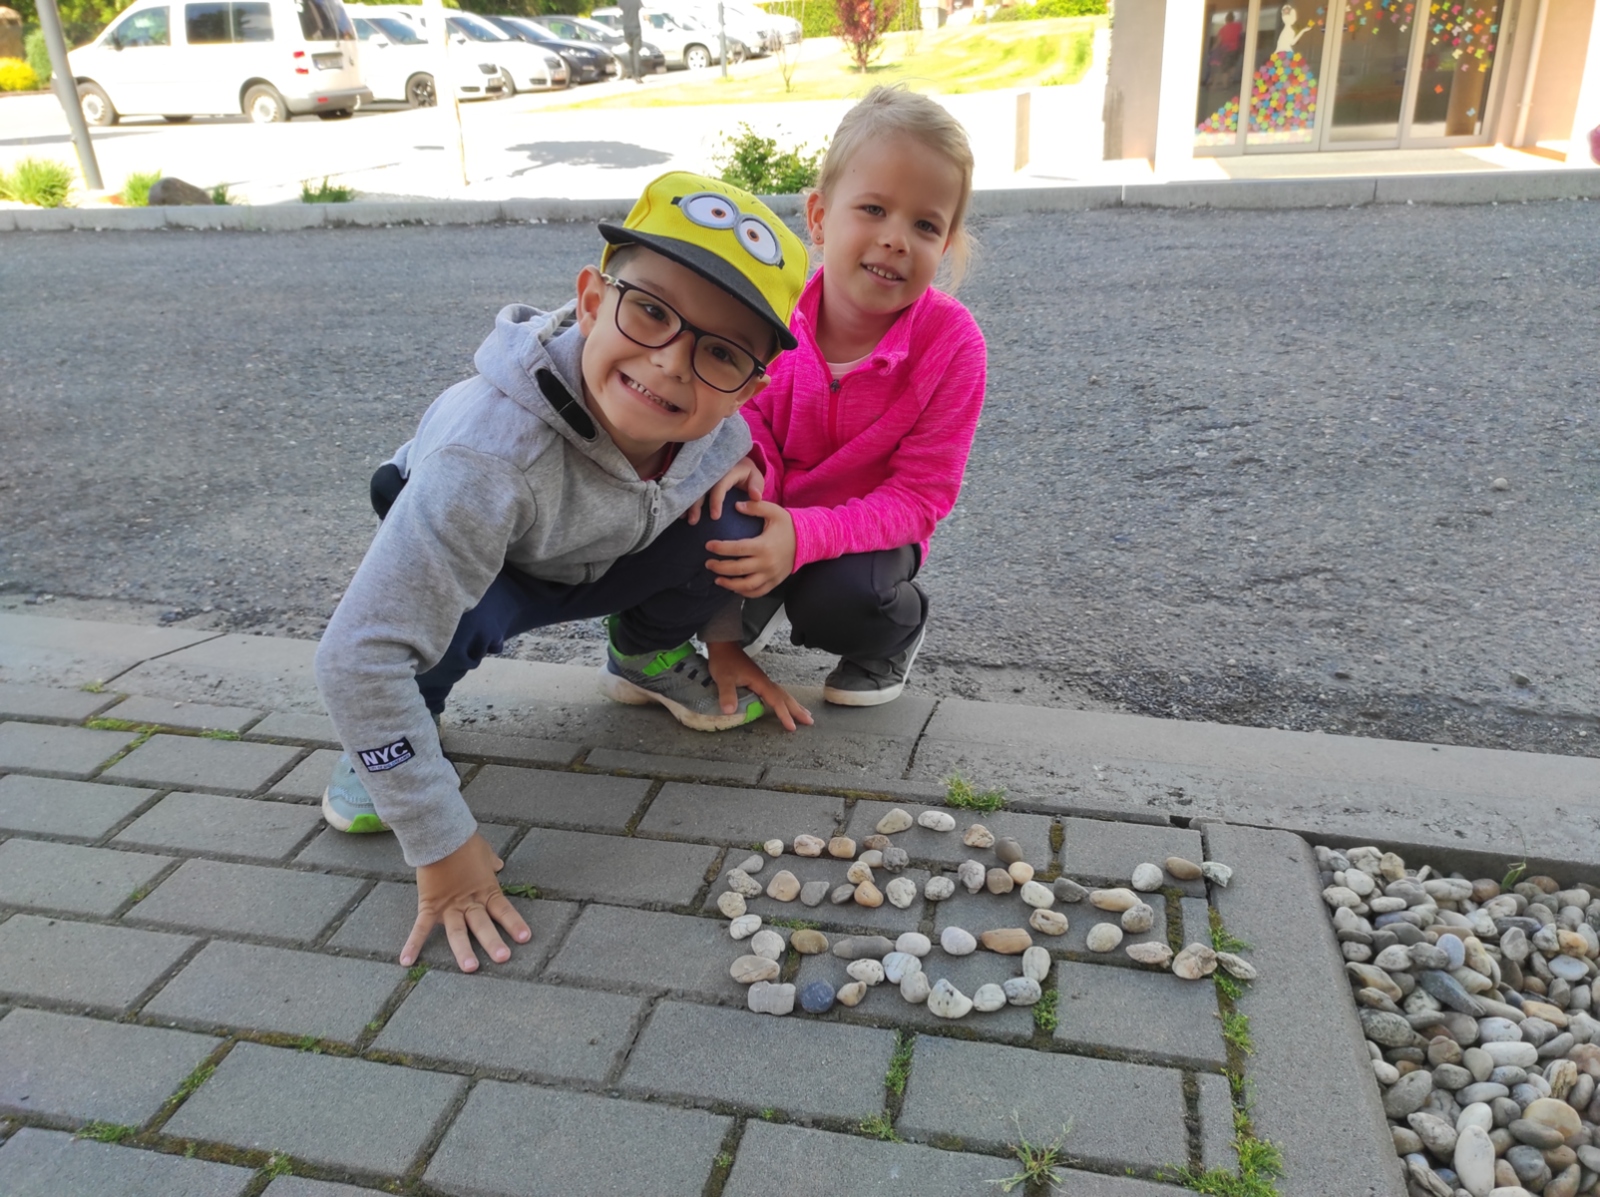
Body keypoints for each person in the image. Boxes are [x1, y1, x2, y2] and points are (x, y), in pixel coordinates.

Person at [313, 171, 812, 973]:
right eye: (651, 311)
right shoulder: (485, 460)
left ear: (749, 386)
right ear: (590, 300)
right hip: (490, 559)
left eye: (720, 352)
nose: (671, 362)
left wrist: (724, 635)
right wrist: (442, 844)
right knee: (417, 640)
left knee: (735, 517)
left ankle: (643, 655)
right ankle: (395, 743)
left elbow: (730, 455)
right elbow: (355, 656)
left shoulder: (718, 426)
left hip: (594, 547)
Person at [703, 86, 987, 707]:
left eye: (925, 225)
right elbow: (746, 428)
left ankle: (891, 637)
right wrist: (759, 505)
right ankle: (756, 595)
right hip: (778, 506)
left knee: (841, 601)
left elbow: (920, 497)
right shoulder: (770, 317)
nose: (896, 239)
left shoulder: (953, 343)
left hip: (870, 536)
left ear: (945, 244)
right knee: (705, 516)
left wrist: (804, 537)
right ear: (818, 217)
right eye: (874, 209)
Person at [617, 0, 644, 81]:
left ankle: (633, 73)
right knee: (636, 52)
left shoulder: (621, 1)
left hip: (627, 28)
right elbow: (641, 10)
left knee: (631, 51)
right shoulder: (636, 1)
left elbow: (619, 9)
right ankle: (637, 75)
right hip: (636, 27)